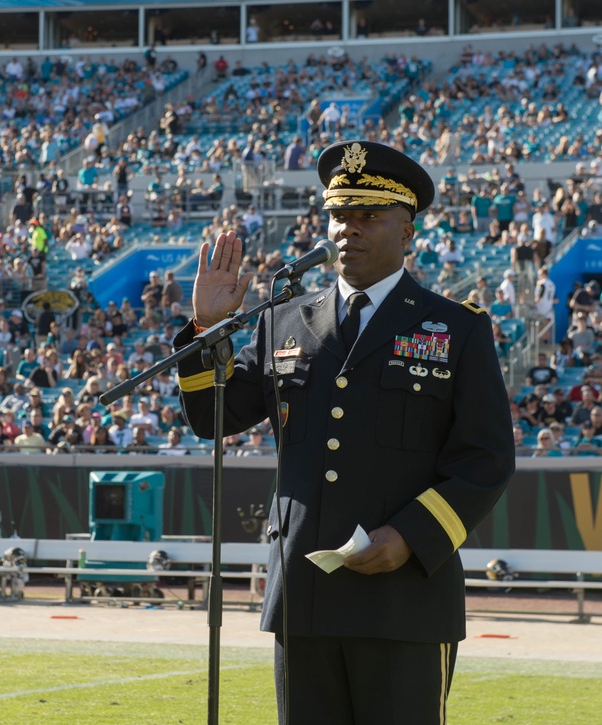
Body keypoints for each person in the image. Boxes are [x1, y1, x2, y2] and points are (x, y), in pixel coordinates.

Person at [175, 140, 514, 723]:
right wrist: (208, 328)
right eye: (338, 216)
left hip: (404, 597)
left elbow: (485, 459)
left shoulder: (455, 328)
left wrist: (409, 536)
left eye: (368, 217)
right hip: (306, 595)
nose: (347, 231)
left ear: (407, 232)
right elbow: (215, 418)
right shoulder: (284, 319)